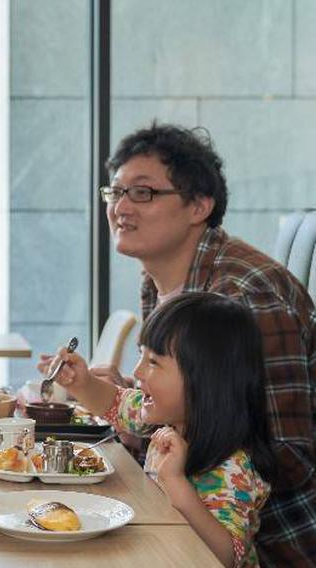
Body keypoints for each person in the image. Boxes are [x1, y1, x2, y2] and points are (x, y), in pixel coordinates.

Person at [44, 122, 315, 565]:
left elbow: (289, 457)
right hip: (168, 523)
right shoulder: (164, 281)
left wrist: (177, 461)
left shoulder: (244, 297)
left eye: (144, 193)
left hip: (267, 546)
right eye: (115, 192)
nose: (121, 207)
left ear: (199, 207)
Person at [54, 292, 275, 567]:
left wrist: (176, 483)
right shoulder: (166, 417)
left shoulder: (232, 467)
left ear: (204, 381)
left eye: (154, 362)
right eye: (140, 355)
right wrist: (81, 382)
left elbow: (225, 555)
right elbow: (115, 402)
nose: (137, 372)